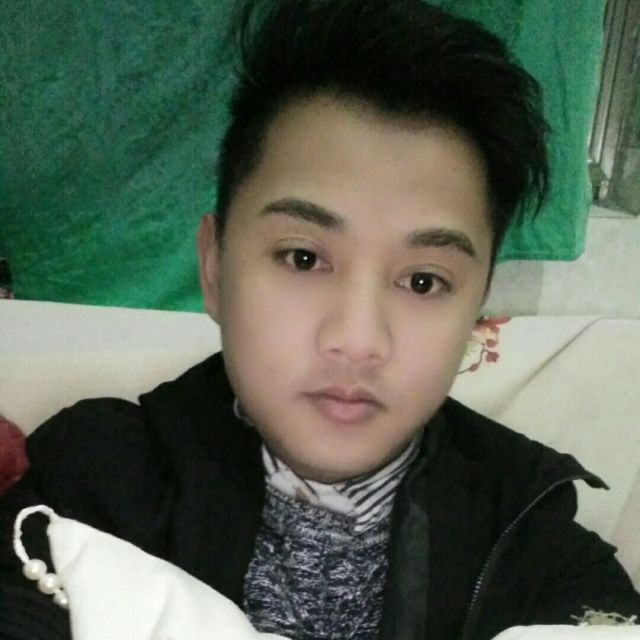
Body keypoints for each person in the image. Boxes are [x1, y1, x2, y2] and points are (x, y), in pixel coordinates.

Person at [1, 1, 639, 638]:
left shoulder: (534, 545)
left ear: (477, 307)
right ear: (215, 267)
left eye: (423, 281)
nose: (357, 341)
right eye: (303, 258)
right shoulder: (91, 488)